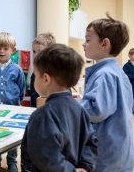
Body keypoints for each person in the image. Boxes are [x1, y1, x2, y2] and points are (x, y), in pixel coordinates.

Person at [21, 44, 98, 172]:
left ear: (45, 79)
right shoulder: (80, 109)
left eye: (35, 74)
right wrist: (85, 167)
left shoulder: (42, 115)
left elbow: (47, 158)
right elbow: (91, 142)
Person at [78, 14, 134, 171]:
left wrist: (72, 104)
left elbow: (97, 111)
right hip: (120, 149)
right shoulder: (117, 71)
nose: (83, 44)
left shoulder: (104, 74)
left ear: (104, 44)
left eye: (88, 40)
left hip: (106, 152)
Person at [0, 32, 26, 172]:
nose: (1, 51)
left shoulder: (17, 69)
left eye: (5, 48)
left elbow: (21, 89)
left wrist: (16, 103)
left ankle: (12, 160)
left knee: (10, 135)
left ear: (12, 50)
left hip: (12, 109)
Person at [28, 32, 56, 107]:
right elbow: (33, 98)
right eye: (34, 51)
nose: (35, 55)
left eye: (40, 52)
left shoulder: (58, 74)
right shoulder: (35, 73)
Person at [123, 48, 134, 113]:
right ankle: (131, 109)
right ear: (129, 55)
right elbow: (125, 76)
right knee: (131, 97)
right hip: (130, 85)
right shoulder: (126, 66)